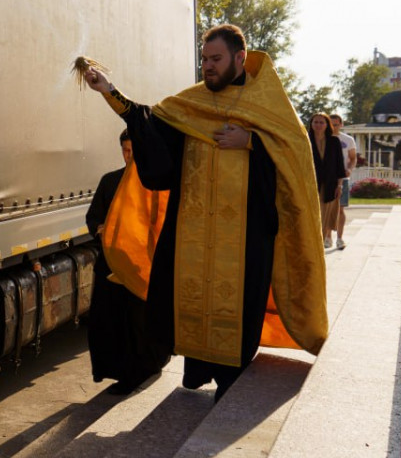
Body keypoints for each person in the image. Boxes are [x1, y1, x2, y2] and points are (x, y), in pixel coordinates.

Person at [82, 24, 328, 401]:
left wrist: (252, 142)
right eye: (204, 60)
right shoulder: (190, 103)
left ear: (239, 58)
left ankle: (231, 376)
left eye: (215, 59)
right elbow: (148, 124)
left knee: (238, 304)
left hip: (247, 235)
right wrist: (109, 92)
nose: (208, 67)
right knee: (191, 299)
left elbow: (294, 159)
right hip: (192, 232)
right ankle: (198, 370)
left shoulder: (268, 103)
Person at [86, 130, 171, 395]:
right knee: (111, 321)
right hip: (113, 264)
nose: (130, 156)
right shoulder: (110, 181)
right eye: (125, 151)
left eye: (134, 151)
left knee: (139, 323)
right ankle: (120, 371)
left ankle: (144, 368)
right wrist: (100, 228)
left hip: (144, 267)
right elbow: (94, 217)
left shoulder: (156, 182)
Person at [309, 113, 346, 249]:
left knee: (325, 215)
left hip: (330, 185)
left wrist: (340, 185)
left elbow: (339, 165)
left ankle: (320, 243)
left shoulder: (334, 141)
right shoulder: (305, 140)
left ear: (327, 125)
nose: (318, 125)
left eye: (321, 122)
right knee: (314, 215)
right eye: (315, 122)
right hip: (311, 185)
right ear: (311, 124)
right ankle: (314, 244)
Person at [329, 114, 357, 248]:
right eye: (330, 124)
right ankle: (327, 237)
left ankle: (339, 238)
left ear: (341, 125)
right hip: (327, 178)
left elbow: (353, 158)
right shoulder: (323, 138)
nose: (333, 127)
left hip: (343, 179)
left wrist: (350, 169)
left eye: (336, 124)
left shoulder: (348, 140)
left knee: (340, 209)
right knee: (327, 209)